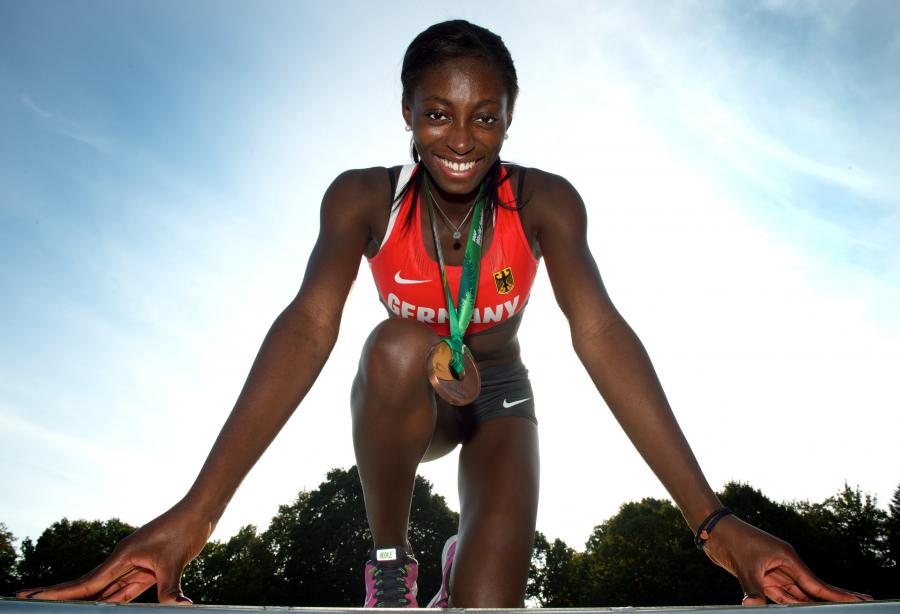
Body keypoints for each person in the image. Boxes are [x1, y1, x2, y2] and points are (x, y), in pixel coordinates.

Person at [16, 20, 871, 609]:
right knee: (395, 344)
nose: (461, 139)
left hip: (498, 398)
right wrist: (198, 515)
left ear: (508, 119)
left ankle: (464, 570)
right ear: (407, 114)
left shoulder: (547, 203)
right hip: (411, 403)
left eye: (484, 117)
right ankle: (393, 562)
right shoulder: (361, 199)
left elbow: (602, 334)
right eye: (438, 114)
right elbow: (308, 327)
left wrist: (714, 524)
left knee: (489, 610)